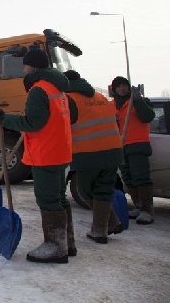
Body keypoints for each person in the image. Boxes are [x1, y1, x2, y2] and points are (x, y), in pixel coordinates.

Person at [0, 48, 76, 264]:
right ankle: (67, 243)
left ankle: (55, 247)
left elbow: (33, 123)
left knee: (48, 199)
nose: (23, 69)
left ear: (33, 67)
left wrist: (5, 119)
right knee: (59, 198)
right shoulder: (58, 88)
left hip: (46, 153)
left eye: (26, 65)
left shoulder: (39, 90)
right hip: (60, 151)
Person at [64, 70, 124, 243]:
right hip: (113, 151)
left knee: (84, 189)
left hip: (88, 153)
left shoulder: (69, 99)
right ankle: (102, 230)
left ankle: (108, 224)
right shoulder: (100, 97)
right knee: (103, 190)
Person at [110, 76, 156, 225]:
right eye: (118, 87)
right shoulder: (112, 105)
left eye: (124, 86)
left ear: (129, 87)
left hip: (137, 145)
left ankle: (147, 211)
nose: (121, 89)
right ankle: (137, 206)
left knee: (140, 177)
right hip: (120, 146)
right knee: (128, 178)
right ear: (114, 90)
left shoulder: (138, 102)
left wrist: (138, 101)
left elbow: (148, 117)